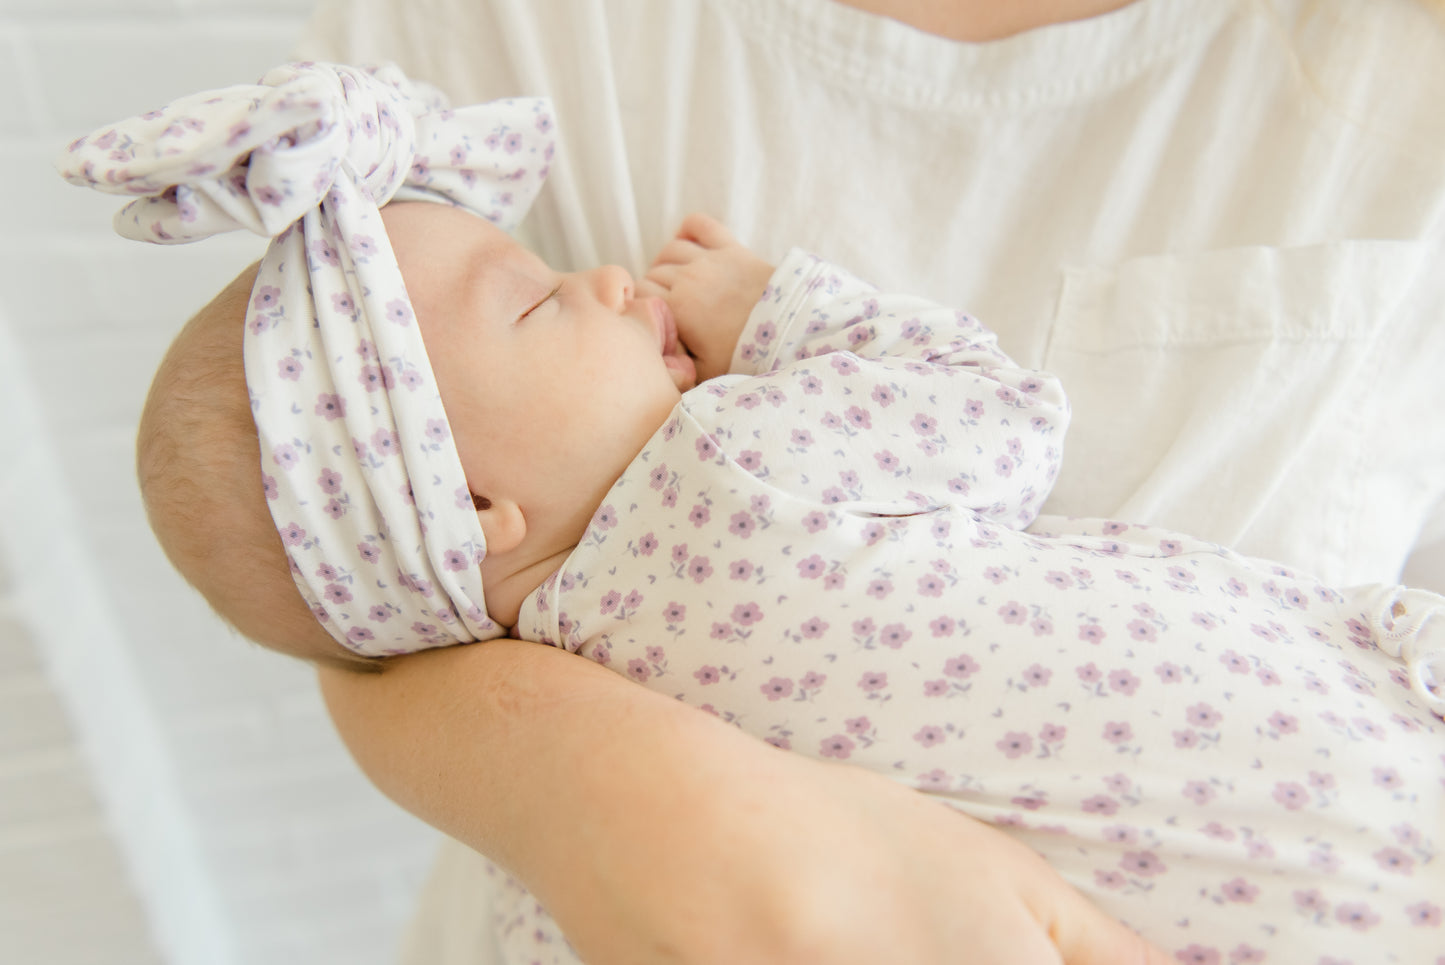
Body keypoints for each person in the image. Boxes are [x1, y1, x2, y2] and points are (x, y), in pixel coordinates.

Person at [64, 59, 1442, 962]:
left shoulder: (550, 806)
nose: (609, 279)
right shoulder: (732, 467)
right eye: (538, 301)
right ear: (474, 508)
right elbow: (1001, 416)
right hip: (1345, 784)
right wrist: (775, 311)